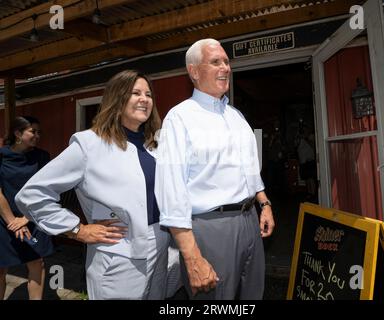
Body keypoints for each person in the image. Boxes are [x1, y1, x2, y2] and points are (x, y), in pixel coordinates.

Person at [15, 70, 170, 300]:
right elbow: (32, 195)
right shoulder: (89, 144)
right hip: (118, 255)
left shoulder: (157, 145)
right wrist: (77, 229)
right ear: (117, 99)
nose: (144, 99)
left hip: (161, 250)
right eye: (135, 93)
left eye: (148, 94)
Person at [155, 38, 275, 300]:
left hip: (249, 222)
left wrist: (264, 204)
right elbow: (170, 191)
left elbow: (250, 169)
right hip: (210, 229)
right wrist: (192, 256)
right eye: (215, 62)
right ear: (194, 71)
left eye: (226, 61)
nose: (225, 68)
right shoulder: (179, 118)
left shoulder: (236, 116)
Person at [0, 116, 53, 300]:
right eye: (33, 131)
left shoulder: (42, 157)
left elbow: (47, 191)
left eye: (39, 132)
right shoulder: (1, 156)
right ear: (17, 133)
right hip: (4, 219)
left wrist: (27, 218)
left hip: (32, 218)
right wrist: (13, 221)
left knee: (37, 263)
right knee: (0, 268)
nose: (37, 135)